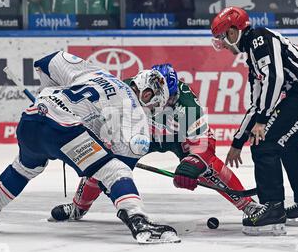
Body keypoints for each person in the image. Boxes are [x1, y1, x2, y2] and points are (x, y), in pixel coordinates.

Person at [0, 51, 180, 244]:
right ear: (147, 94)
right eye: (153, 104)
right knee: (116, 171)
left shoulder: (98, 73)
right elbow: (116, 175)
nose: (150, 109)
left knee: (24, 167)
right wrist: (105, 154)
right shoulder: (136, 113)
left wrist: (45, 94)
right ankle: (138, 221)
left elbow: (49, 61)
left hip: (30, 119)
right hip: (63, 132)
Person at [49, 63, 263, 223]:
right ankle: (78, 207)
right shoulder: (122, 90)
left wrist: (193, 163)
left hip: (176, 138)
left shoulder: (186, 103)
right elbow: (96, 117)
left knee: (209, 168)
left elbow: (204, 144)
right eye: (166, 99)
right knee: (101, 162)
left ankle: (248, 206)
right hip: (138, 134)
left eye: (171, 99)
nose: (169, 102)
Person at [211, 7, 298, 236]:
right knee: (289, 145)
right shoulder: (253, 58)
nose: (222, 45)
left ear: (233, 32)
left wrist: (261, 122)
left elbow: (275, 78)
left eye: (222, 37)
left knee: (264, 143)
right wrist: (237, 142)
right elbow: (257, 104)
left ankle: (272, 209)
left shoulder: (259, 38)